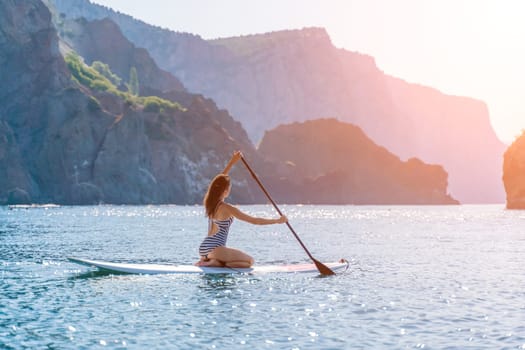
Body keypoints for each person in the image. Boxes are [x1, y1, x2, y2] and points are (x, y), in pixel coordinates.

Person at [196, 151, 287, 268]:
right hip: (216, 249)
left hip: (204, 248)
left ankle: (213, 261)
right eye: (229, 188)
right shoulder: (228, 209)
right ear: (225, 191)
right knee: (249, 262)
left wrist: (232, 162)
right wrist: (277, 220)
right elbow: (255, 221)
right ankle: (215, 262)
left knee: (226, 260)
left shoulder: (210, 204)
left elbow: (218, 182)